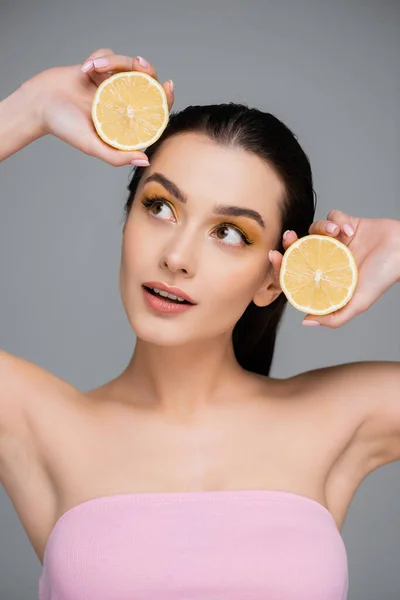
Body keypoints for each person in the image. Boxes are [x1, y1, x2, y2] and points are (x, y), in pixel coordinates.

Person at [0, 48, 399, 600]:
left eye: (230, 233)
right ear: (126, 221)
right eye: (161, 207)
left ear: (270, 282)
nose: (178, 256)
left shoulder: (340, 418)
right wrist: (27, 110)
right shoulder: (38, 422)